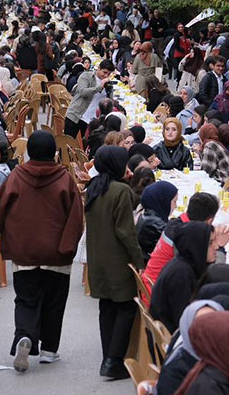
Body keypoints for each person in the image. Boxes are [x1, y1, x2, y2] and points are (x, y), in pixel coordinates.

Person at [0, 131, 83, 371]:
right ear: (53, 153)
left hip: (23, 249)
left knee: (26, 299)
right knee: (54, 301)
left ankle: (24, 336)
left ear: (29, 152)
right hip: (56, 251)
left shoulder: (16, 176)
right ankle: (49, 350)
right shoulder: (64, 179)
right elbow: (76, 217)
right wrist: (69, 246)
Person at [83, 146, 144, 379]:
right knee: (126, 308)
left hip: (97, 258)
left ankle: (107, 356)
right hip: (117, 259)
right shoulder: (121, 191)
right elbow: (126, 232)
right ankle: (114, 359)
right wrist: (139, 260)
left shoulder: (94, 188)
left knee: (106, 307)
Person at [149, 222, 219, 332]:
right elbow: (184, 321)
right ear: (197, 246)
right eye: (210, 243)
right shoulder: (182, 275)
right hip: (173, 338)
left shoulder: (186, 263)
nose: (217, 246)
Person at [65, 59, 115, 138]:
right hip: (77, 115)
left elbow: (109, 102)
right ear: (98, 68)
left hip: (92, 121)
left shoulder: (108, 84)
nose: (106, 76)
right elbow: (82, 92)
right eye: (104, 72)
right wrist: (99, 88)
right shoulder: (86, 76)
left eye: (109, 74)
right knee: (69, 143)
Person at [136, 181, 178, 263]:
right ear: (163, 201)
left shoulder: (146, 213)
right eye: (174, 201)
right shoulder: (155, 226)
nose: (176, 206)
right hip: (152, 267)